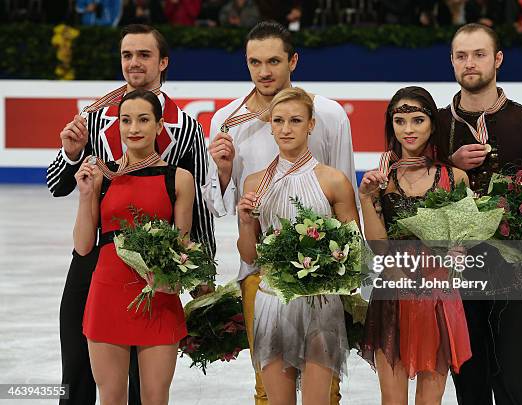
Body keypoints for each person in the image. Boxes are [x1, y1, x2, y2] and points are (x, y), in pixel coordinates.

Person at [46, 24, 216, 405]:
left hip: (153, 264)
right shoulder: (95, 117)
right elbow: (57, 183)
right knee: (75, 364)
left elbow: (196, 205)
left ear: (163, 61)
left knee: (144, 378)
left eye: (144, 55)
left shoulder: (185, 124)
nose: (134, 63)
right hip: (96, 258)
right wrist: (73, 154)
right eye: (127, 55)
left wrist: (202, 271)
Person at [203, 20, 356, 405]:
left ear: (294, 61)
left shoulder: (329, 114)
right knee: (266, 389)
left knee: (327, 386)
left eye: (273, 61)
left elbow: (343, 190)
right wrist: (222, 173)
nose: (264, 71)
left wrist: (347, 270)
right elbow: (219, 205)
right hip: (259, 273)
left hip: (322, 275)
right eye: (255, 62)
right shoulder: (227, 120)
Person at [440, 23, 522, 405]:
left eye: (479, 54)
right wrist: (450, 166)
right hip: (457, 272)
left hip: (513, 275)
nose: (470, 63)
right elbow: (413, 193)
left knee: (514, 385)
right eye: (461, 55)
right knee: (470, 385)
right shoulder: (438, 123)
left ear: (497, 59)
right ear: (451, 61)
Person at [236, 87, 358, 405]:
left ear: (311, 125)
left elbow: (355, 250)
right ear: (271, 126)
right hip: (271, 301)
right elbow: (250, 256)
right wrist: (247, 221)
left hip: (320, 304)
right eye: (278, 120)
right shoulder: (253, 183)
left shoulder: (334, 181)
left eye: (295, 120)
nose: (286, 128)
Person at [74, 89, 190, 404]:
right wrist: (86, 195)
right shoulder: (103, 176)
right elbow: (84, 246)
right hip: (108, 293)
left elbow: (182, 247)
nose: (133, 128)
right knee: (111, 398)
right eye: (126, 120)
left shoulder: (178, 179)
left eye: (143, 119)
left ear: (159, 125)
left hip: (158, 297)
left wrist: (173, 281)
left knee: (155, 398)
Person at [358, 86, 472, 405]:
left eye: (418, 120)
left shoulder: (455, 178)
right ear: (391, 125)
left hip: (438, 296)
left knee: (429, 401)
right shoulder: (380, 182)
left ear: (432, 124)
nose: (408, 129)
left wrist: (459, 250)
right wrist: (366, 197)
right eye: (400, 121)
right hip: (393, 296)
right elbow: (378, 246)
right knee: (392, 401)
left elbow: (465, 237)